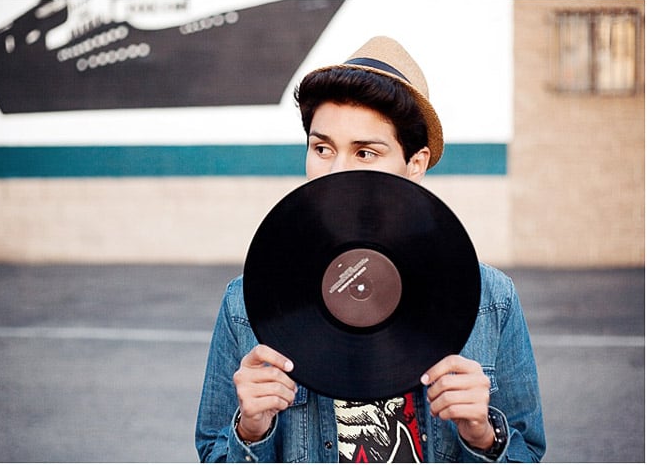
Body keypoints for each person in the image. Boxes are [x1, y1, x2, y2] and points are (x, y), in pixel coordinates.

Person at [195, 36, 546, 463]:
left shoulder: (493, 299)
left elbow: (527, 450)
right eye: (322, 148)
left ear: (414, 163)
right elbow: (213, 451)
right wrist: (251, 430)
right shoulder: (245, 302)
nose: (337, 171)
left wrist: (482, 436)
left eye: (365, 152)